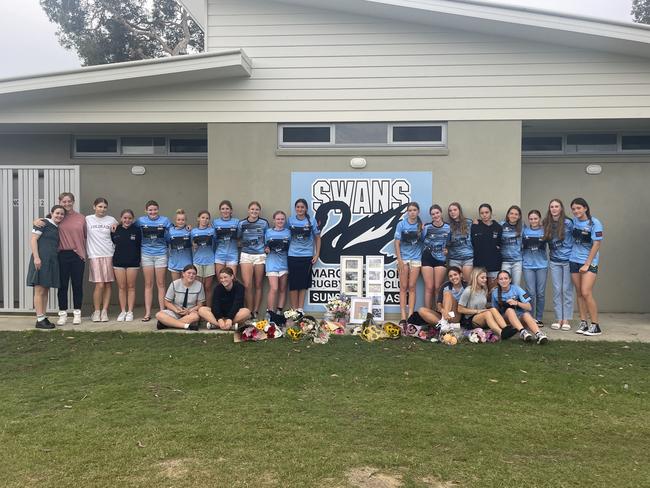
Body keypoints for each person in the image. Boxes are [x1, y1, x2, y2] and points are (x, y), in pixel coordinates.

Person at [35, 192, 86, 326]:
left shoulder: (81, 218)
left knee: (77, 285)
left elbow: (86, 236)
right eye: (64, 201)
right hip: (61, 255)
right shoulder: (58, 216)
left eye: (69, 201)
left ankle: (77, 313)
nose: (67, 204)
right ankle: (62, 314)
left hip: (78, 256)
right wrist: (35, 221)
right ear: (60, 202)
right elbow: (42, 223)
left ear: (73, 202)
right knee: (62, 286)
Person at [27, 205, 66, 329]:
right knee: (39, 290)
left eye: (62, 214)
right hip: (41, 260)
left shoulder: (56, 227)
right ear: (51, 213)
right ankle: (39, 319)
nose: (59, 216)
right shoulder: (43, 223)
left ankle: (43, 316)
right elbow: (33, 240)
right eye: (57, 213)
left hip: (51, 261)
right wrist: (36, 258)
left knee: (45, 290)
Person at [570, 197, 604, 336]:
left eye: (578, 208)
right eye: (573, 209)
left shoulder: (595, 223)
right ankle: (583, 323)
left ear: (585, 208)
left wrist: (587, 264)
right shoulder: (574, 222)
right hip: (574, 260)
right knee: (578, 293)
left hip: (589, 262)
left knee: (586, 292)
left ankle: (595, 325)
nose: (576, 211)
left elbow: (596, 244)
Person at [457, 267, 517, 339]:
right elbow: (460, 309)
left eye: (485, 278)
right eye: (482, 278)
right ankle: (501, 333)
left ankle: (506, 329)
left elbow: (482, 304)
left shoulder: (484, 290)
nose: (485, 280)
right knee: (487, 313)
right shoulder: (468, 290)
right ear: (475, 278)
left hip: (481, 315)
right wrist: (478, 311)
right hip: (470, 319)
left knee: (493, 309)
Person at [491, 270, 548, 344]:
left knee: (526, 314)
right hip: (506, 320)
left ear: (510, 280)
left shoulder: (517, 289)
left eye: (506, 278)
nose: (503, 281)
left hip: (519, 317)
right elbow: (495, 310)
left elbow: (529, 307)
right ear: (498, 281)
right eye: (501, 279)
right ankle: (523, 332)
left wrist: (516, 303)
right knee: (509, 310)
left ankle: (539, 334)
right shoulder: (495, 293)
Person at [137, 200, 172, 322]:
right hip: (146, 254)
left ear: (158, 209)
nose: (153, 212)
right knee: (148, 284)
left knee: (161, 284)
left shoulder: (165, 220)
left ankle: (162, 312)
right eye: (150, 210)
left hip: (161, 254)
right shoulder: (140, 221)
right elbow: (129, 226)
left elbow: (174, 231)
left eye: (155, 209)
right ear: (146, 210)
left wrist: (188, 227)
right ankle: (147, 313)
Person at [543, 199, 574, 331]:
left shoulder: (568, 222)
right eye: (552, 207)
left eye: (557, 206)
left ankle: (566, 319)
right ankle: (558, 318)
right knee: (557, 289)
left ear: (561, 208)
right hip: (554, 261)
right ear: (549, 209)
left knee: (566, 290)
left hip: (567, 260)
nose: (554, 209)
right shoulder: (546, 223)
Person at [86, 197, 118, 322]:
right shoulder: (87, 219)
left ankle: (104, 311)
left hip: (109, 254)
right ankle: (96, 311)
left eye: (104, 207)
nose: (102, 209)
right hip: (95, 255)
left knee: (108, 284)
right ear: (94, 207)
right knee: (99, 285)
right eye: (100, 206)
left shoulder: (111, 220)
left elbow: (121, 228)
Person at [287, 198, 320, 312]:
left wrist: (316, 254)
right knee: (293, 284)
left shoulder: (312, 221)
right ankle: (293, 310)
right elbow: (284, 235)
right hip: (292, 256)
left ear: (306, 209)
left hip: (307, 256)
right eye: (298, 207)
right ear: (295, 208)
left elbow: (318, 238)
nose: (300, 209)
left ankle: (300, 309)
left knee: (303, 284)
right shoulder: (290, 220)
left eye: (302, 207)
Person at [237, 201, 269, 318]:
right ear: (248, 210)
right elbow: (238, 237)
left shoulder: (264, 223)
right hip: (246, 255)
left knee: (258, 284)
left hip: (260, 256)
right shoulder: (241, 223)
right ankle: (248, 312)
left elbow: (268, 238)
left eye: (256, 209)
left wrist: (266, 247)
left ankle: (255, 311)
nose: (254, 211)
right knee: (247, 285)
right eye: (252, 209)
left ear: (259, 211)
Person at [395, 202, 423, 326]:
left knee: (412, 287)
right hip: (404, 259)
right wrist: (400, 260)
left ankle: (411, 316)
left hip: (416, 259)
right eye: (410, 210)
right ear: (407, 212)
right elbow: (396, 243)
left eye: (414, 210)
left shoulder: (421, 225)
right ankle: (403, 316)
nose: (412, 212)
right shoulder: (401, 224)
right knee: (403, 287)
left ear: (418, 212)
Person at [111, 209, 141, 322]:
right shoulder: (115, 229)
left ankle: (130, 312)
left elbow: (139, 246)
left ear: (132, 219)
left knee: (131, 287)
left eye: (129, 218)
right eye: (125, 218)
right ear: (121, 218)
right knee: (122, 287)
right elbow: (112, 243)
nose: (127, 220)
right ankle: (123, 311)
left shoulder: (137, 230)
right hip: (118, 262)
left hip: (133, 263)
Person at [155, 264, 204, 331]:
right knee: (159, 314)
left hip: (190, 311)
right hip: (176, 310)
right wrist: (176, 310)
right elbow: (166, 302)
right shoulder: (174, 284)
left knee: (195, 317)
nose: (191, 275)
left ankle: (167, 323)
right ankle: (186, 325)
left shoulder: (199, 285)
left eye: (194, 274)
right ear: (183, 274)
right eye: (189, 273)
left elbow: (200, 305)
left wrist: (189, 311)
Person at [421, 204, 450, 310]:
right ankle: (427, 313)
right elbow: (421, 240)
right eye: (433, 214)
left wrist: (447, 249)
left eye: (437, 213)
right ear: (431, 216)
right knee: (429, 287)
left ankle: (438, 313)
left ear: (441, 213)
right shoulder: (427, 227)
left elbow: (449, 242)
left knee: (438, 287)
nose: (435, 215)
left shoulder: (448, 227)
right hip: (427, 257)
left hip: (440, 258)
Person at [522, 209, 548, 326]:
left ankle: (539, 317)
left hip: (542, 265)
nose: (533, 221)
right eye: (531, 219)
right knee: (530, 292)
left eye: (535, 218)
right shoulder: (524, 231)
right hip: (528, 265)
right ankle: (530, 317)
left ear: (539, 219)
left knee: (540, 293)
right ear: (529, 220)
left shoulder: (545, 231)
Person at [265, 210, 291, 315]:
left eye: (282, 219)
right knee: (274, 288)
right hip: (271, 262)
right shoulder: (268, 232)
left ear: (285, 220)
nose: (280, 221)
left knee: (282, 288)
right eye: (278, 219)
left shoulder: (288, 232)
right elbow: (264, 246)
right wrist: (266, 249)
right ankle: (270, 312)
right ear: (274, 220)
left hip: (284, 263)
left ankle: (279, 311)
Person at [471, 203, 502, 289]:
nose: (484, 215)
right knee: (480, 292)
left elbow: (500, 243)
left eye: (486, 212)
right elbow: (473, 242)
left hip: (494, 264)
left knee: (493, 292)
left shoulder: (498, 227)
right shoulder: (475, 226)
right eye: (482, 213)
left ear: (491, 213)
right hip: (479, 264)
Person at [191, 210, 216, 308]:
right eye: (202, 217)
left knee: (208, 287)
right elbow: (190, 243)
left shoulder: (212, 231)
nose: (204, 220)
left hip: (209, 261)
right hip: (197, 261)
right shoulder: (193, 231)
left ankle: (208, 309)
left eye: (207, 218)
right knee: (199, 287)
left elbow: (216, 242)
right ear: (198, 219)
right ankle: (199, 309)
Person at [446, 202, 473, 282]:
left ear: (459, 211)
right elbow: (447, 242)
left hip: (468, 258)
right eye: (450, 211)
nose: (452, 212)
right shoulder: (448, 226)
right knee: (456, 283)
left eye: (455, 210)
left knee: (467, 282)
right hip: (454, 259)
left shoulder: (469, 222)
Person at [213, 200, 239, 277]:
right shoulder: (215, 222)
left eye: (227, 208)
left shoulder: (237, 222)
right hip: (219, 254)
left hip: (232, 254)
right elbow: (212, 237)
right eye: (223, 209)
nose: (225, 211)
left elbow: (241, 235)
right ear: (220, 210)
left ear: (231, 210)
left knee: (231, 279)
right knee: (220, 280)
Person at [500, 205, 524, 286]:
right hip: (505, 261)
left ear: (519, 216)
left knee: (516, 285)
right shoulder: (501, 225)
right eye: (511, 213)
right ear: (508, 214)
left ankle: (515, 299)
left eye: (516, 214)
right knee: (504, 285)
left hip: (517, 261)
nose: (513, 216)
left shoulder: (522, 227)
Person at [167, 209, 192, 281]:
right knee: (176, 287)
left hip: (187, 263)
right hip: (174, 263)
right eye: (178, 220)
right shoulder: (170, 230)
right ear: (175, 220)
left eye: (183, 220)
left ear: (185, 220)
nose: (181, 221)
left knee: (186, 287)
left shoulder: (189, 231)